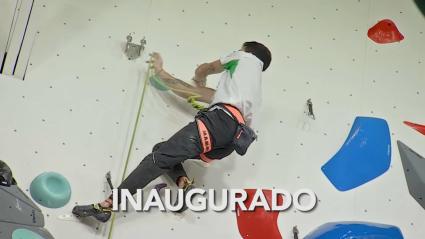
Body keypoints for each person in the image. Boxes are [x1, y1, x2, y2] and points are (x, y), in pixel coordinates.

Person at [72, 41, 272, 222]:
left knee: (157, 159)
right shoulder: (250, 93)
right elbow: (190, 93)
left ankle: (108, 205)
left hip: (218, 123)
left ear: (246, 50)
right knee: (163, 149)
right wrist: (161, 72)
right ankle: (184, 184)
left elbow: (207, 69)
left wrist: (198, 76)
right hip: (230, 141)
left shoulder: (243, 57)